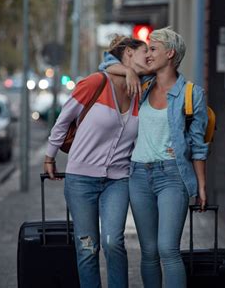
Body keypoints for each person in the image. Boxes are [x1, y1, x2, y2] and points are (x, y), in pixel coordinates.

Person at [100, 27, 209, 288]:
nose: (147, 54)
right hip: (138, 176)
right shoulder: (144, 85)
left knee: (167, 249)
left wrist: (201, 186)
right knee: (148, 251)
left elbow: (198, 146)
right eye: (146, 49)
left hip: (172, 177)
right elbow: (105, 64)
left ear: (170, 54)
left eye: (153, 49)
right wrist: (127, 70)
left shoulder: (192, 94)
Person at [43, 36, 149, 288]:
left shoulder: (142, 92)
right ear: (129, 53)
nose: (149, 57)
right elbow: (62, 120)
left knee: (113, 241)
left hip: (119, 180)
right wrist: (50, 156)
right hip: (81, 180)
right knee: (87, 247)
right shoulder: (95, 83)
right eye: (145, 51)